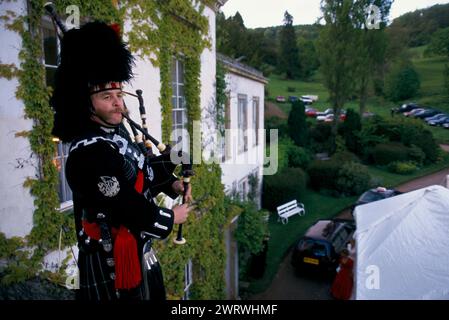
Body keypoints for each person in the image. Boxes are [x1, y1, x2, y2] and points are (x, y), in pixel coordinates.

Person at [51, 21, 191, 300]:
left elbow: (140, 170)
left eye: (118, 95)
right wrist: (171, 216)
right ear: (86, 105)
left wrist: (172, 183)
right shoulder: (87, 153)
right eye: (106, 97)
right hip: (111, 261)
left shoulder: (117, 133)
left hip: (139, 252)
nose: (118, 103)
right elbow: (125, 204)